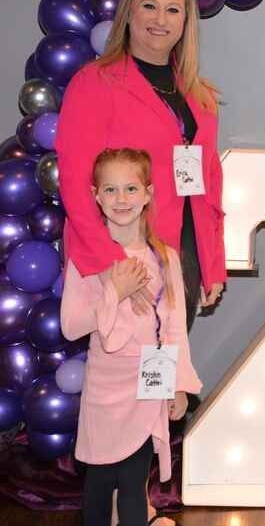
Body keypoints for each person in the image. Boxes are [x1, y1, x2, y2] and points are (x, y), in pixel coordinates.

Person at [56, 0, 226, 332]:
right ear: (129, 13)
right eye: (149, 6)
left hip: (183, 256)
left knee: (165, 369)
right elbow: (75, 183)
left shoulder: (201, 97)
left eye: (173, 10)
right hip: (121, 256)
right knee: (121, 375)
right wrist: (113, 264)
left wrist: (212, 264)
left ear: (185, 22)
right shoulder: (94, 83)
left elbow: (209, 186)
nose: (160, 19)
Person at [61, 148, 202, 526]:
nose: (121, 199)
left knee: (135, 482)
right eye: (110, 190)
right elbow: (71, 326)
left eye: (130, 189)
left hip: (148, 386)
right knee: (100, 483)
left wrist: (178, 385)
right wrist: (115, 291)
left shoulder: (166, 258)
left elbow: (173, 329)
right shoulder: (85, 259)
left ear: (148, 193)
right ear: (95, 195)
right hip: (105, 391)